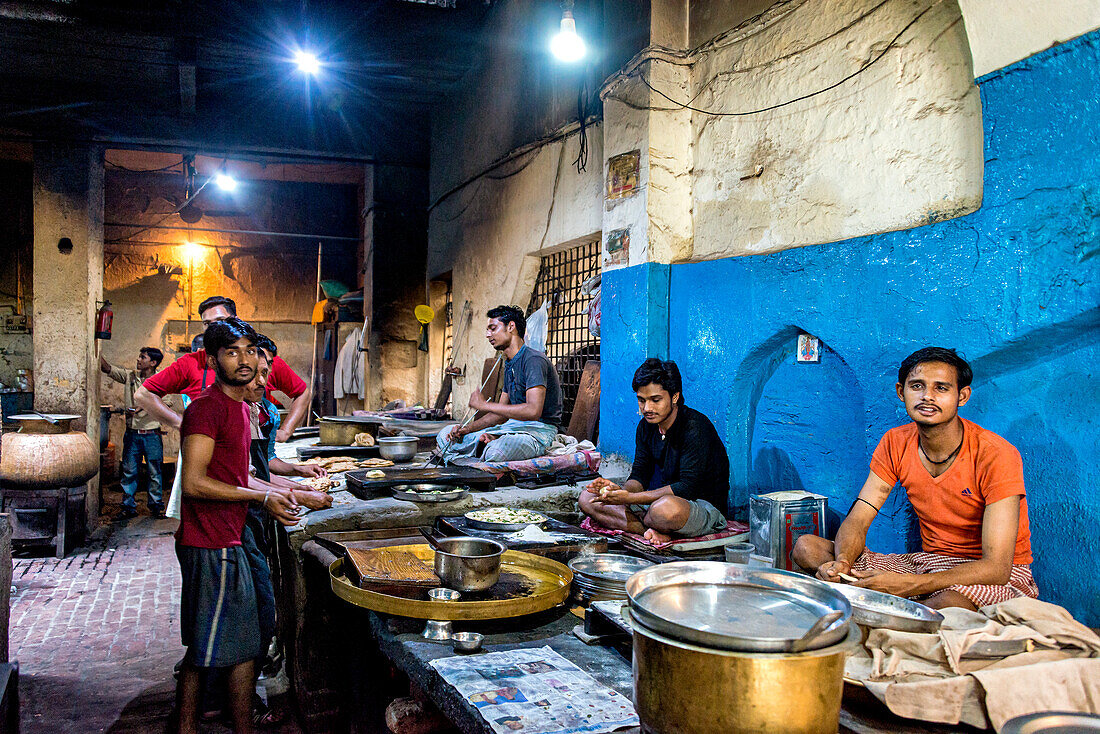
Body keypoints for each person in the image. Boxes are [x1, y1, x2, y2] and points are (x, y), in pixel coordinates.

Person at [792, 347, 1038, 610]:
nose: (927, 397)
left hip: (992, 575)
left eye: (941, 388)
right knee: (807, 548)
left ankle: (901, 603)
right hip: (927, 562)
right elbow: (860, 516)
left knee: (947, 605)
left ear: (962, 396)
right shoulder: (895, 441)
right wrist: (842, 563)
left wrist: (907, 584)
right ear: (901, 392)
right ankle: (900, 603)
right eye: (917, 386)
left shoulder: (996, 454)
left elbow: (997, 568)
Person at [173, 317, 299, 734]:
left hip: (229, 534)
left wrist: (275, 492)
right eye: (231, 352)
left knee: (231, 644)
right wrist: (261, 496)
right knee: (216, 648)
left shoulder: (240, 409)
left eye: (248, 350)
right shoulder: (207, 410)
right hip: (210, 540)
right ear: (212, 360)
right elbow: (194, 483)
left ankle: (214, 724)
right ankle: (202, 726)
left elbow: (236, 473)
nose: (244, 361)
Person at [579, 358, 730, 544]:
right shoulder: (646, 427)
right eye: (641, 401)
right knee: (587, 497)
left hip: (697, 507)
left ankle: (652, 526)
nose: (647, 408)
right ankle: (650, 530)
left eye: (655, 400)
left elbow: (686, 487)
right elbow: (639, 476)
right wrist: (619, 492)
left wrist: (631, 498)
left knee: (665, 510)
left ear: (674, 397)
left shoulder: (695, 427)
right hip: (656, 503)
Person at [135, 295, 311, 443]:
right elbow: (143, 394)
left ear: (235, 321)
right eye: (207, 323)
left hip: (257, 451)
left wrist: (286, 431)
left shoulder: (262, 360)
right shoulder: (191, 363)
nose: (214, 328)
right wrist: (182, 423)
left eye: (220, 321)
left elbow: (303, 393)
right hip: (210, 454)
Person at [437, 305, 563, 463]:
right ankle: (488, 442)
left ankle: (489, 444)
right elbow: (500, 414)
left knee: (496, 451)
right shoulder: (509, 364)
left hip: (538, 431)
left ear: (511, 327)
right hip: (513, 427)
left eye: (493, 328)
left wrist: (485, 405)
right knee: (445, 434)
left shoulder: (533, 360)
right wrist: (465, 430)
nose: (487, 334)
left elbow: (533, 411)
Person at [100, 347, 166, 518]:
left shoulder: (161, 380)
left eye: (142, 357)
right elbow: (107, 369)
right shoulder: (130, 376)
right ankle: (128, 507)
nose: (138, 359)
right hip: (132, 433)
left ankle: (156, 506)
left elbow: (168, 404)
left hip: (152, 433)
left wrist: (141, 407)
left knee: (155, 472)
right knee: (129, 471)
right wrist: (94, 350)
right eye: (139, 356)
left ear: (153, 363)